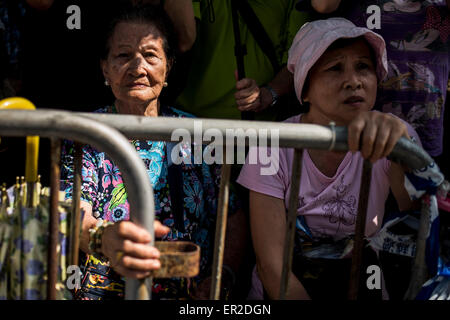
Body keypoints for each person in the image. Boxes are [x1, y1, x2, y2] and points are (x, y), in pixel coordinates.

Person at [60, 4, 246, 300]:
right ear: (105, 68)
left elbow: (232, 214)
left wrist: (222, 278)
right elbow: (71, 211)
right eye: (123, 56)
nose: (138, 68)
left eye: (150, 55)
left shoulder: (198, 134)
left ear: (168, 65)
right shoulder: (87, 133)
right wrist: (104, 239)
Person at [236, 18, 422, 300]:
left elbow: (415, 211)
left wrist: (400, 149)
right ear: (305, 89)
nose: (354, 81)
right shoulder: (272, 144)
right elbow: (272, 267)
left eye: (364, 67)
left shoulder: (394, 133)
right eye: (335, 68)